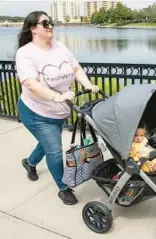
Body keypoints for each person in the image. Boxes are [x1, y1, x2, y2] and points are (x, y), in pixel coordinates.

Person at [15, 11, 99, 205]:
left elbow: (76, 68)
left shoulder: (60, 47)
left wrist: (87, 84)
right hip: (36, 113)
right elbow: (30, 83)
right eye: (45, 23)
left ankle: (29, 163)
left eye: (50, 22)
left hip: (59, 112)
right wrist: (58, 96)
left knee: (46, 144)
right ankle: (63, 188)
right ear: (33, 28)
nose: (50, 25)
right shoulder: (26, 53)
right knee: (53, 150)